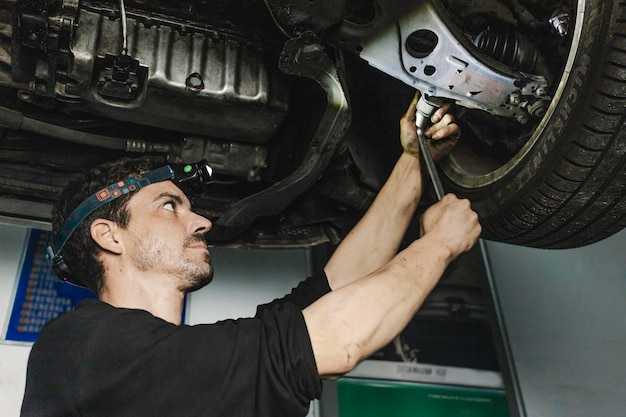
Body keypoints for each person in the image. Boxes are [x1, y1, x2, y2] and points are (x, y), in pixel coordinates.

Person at [20, 92, 481, 417]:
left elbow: (337, 289)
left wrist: (412, 162)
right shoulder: (77, 347)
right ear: (110, 236)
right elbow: (334, 340)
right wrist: (438, 245)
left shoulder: (173, 364)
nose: (201, 221)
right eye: (168, 206)